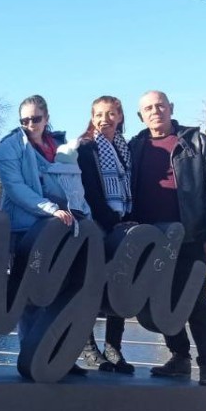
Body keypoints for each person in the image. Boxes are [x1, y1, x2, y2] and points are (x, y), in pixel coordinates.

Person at [129, 90, 206, 387]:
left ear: (171, 108)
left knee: (196, 302)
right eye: (148, 108)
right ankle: (179, 357)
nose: (155, 111)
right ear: (141, 116)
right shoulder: (135, 146)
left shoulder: (196, 142)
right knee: (159, 302)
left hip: (190, 238)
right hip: (149, 242)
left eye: (160, 105)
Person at [0, 94, 88, 377]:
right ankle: (32, 356)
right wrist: (49, 209)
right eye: (24, 120)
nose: (30, 124)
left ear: (46, 118)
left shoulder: (60, 146)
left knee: (60, 294)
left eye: (36, 118)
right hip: (26, 228)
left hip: (63, 229)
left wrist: (83, 215)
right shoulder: (9, 147)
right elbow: (15, 188)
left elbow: (76, 186)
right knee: (32, 297)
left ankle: (62, 357)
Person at [75, 95, 135, 374]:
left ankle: (114, 348)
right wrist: (111, 220)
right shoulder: (86, 148)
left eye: (111, 114)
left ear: (120, 117)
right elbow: (89, 191)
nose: (104, 120)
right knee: (93, 285)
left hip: (124, 222)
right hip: (99, 225)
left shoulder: (124, 148)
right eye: (99, 114)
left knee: (120, 284)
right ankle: (88, 348)